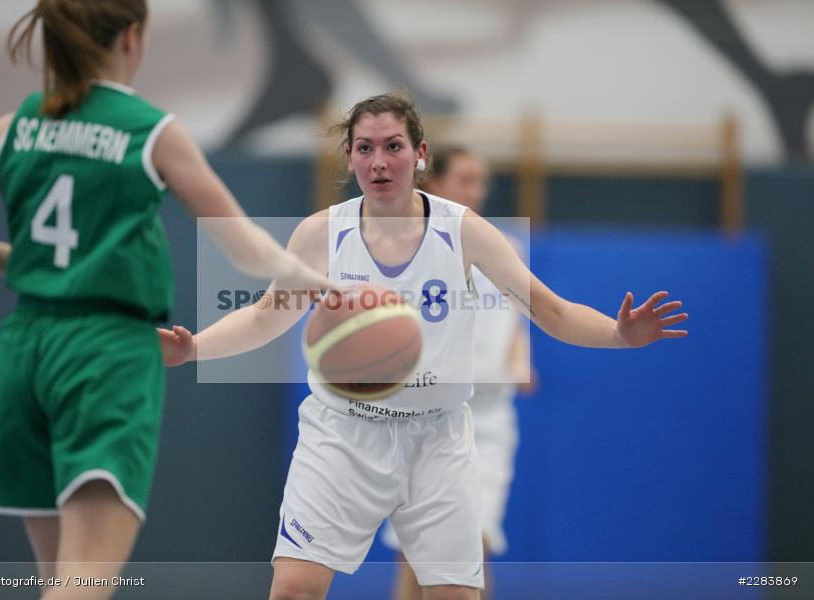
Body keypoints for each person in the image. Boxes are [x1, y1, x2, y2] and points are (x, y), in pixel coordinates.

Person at [160, 93, 688, 600]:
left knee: (456, 593)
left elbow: (551, 311)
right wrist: (194, 349)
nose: (380, 160)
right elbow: (263, 319)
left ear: (420, 154)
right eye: (365, 148)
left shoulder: (464, 231)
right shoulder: (322, 233)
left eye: (393, 145)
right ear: (349, 158)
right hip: (342, 433)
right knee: (295, 589)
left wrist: (619, 334)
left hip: (437, 437)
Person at [0, 1, 328, 599]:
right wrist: (320, 280)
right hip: (103, 352)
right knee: (86, 582)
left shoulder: (10, 127)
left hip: (26, 348)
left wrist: (28, 263)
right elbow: (246, 250)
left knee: (59, 579)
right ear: (133, 37)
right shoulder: (149, 128)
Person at [379, 146, 537, 600]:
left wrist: (520, 359)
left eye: (481, 180)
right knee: (415, 553)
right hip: (419, 420)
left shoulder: (507, 245)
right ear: (433, 183)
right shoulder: (404, 247)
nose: (476, 190)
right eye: (465, 179)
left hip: (487, 423)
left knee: (472, 546)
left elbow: (518, 316)